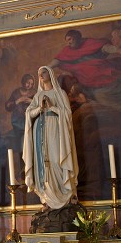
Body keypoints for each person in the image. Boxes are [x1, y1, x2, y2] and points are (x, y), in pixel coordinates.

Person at [22, 65, 78, 210]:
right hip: (39, 130)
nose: (41, 75)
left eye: (44, 72)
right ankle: (46, 196)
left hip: (55, 129)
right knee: (42, 161)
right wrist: (39, 108)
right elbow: (28, 114)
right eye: (39, 73)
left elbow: (67, 114)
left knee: (55, 159)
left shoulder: (60, 93)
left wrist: (52, 107)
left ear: (50, 74)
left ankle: (63, 193)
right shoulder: (37, 96)